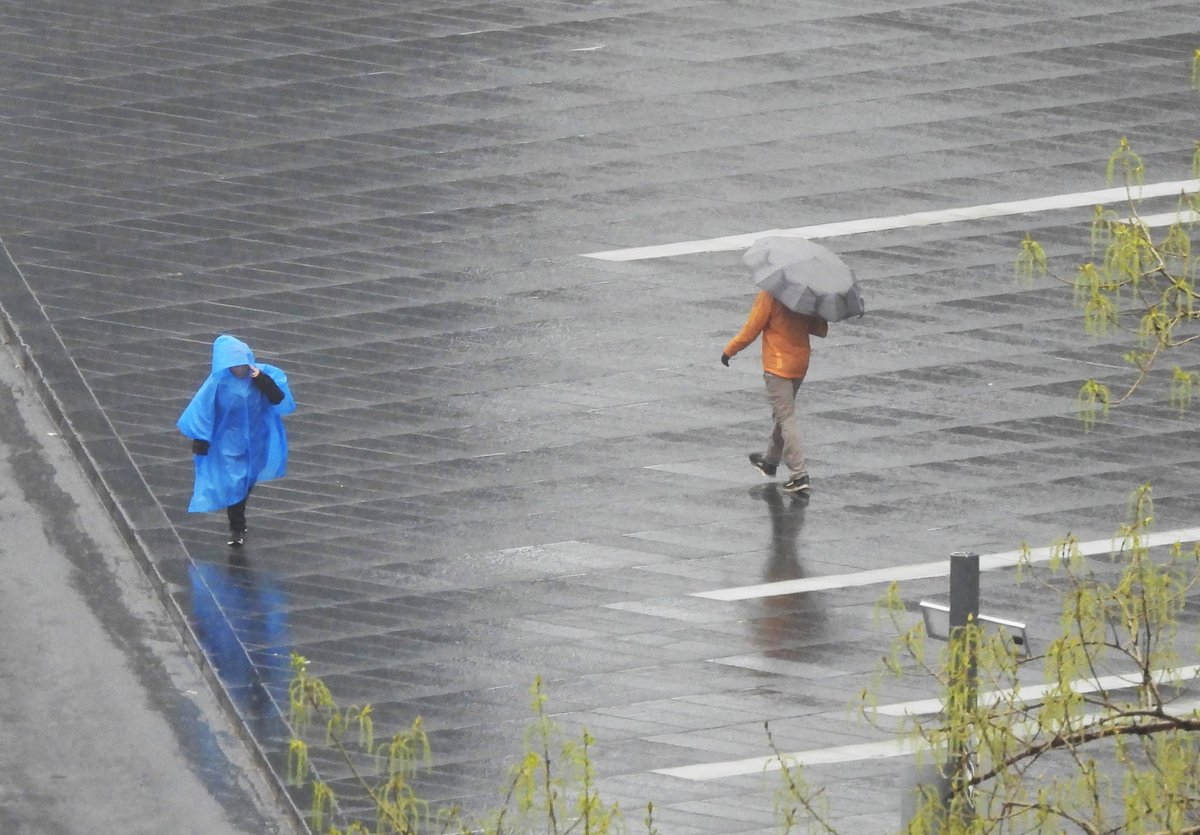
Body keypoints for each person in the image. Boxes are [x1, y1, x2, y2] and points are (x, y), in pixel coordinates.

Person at [178, 335, 296, 546]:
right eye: (236, 365)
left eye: (243, 364)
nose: (241, 369)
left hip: (256, 439)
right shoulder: (218, 384)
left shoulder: (260, 376)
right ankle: (237, 526)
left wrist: (261, 379)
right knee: (236, 480)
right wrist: (201, 439)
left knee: (247, 480)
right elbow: (203, 411)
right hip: (229, 442)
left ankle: (238, 518)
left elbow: (277, 397)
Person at [721, 291, 827, 494]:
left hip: (778, 367)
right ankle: (770, 461)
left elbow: (752, 328)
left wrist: (730, 350)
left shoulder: (770, 295)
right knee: (783, 413)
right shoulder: (805, 294)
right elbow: (820, 329)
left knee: (786, 417)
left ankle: (799, 474)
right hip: (799, 364)